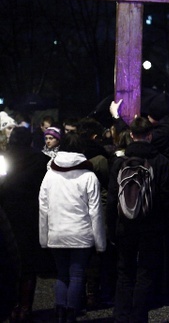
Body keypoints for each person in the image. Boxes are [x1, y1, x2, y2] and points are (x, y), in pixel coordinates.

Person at [107, 115, 169, 323]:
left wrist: (111, 228)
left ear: (131, 135)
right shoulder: (160, 161)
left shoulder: (119, 163)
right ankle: (139, 317)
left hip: (124, 226)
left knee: (125, 273)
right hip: (151, 227)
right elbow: (168, 199)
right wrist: (168, 227)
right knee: (145, 274)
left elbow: (112, 199)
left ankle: (121, 316)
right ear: (150, 135)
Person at [39, 132, 106, 323]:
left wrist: (44, 238)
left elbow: (43, 207)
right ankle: (71, 314)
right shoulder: (89, 176)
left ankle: (59, 312)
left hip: (56, 232)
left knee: (61, 274)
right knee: (77, 275)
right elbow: (96, 211)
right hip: (81, 234)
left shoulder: (50, 174)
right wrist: (100, 243)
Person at [0, 127, 50, 322]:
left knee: (9, 262)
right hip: (31, 214)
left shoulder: (4, 158)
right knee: (28, 264)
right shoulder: (40, 160)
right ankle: (25, 306)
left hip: (6, 214)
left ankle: (11, 306)